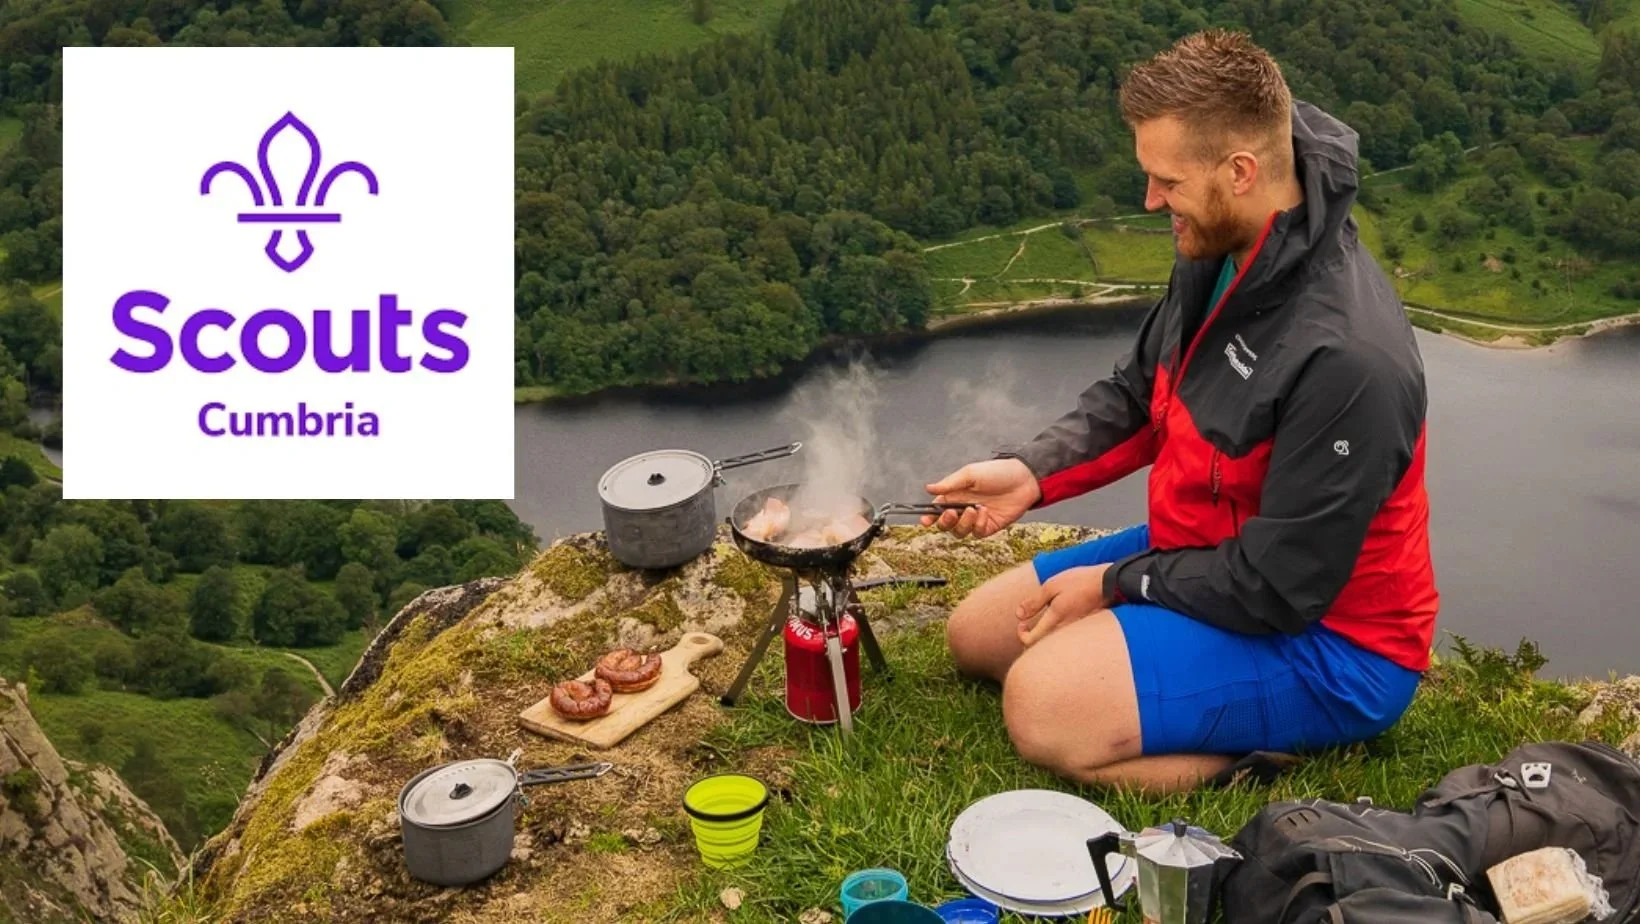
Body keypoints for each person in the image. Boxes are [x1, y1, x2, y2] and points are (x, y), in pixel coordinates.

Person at [925, 29, 1440, 794]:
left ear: (1240, 171)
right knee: (977, 636)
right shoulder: (1221, 239)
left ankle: (1257, 763)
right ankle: (1147, 669)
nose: (1150, 200)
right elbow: (1143, 392)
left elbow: (1280, 588)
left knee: (1039, 705)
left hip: (1332, 639)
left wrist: (1114, 584)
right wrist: (1031, 474)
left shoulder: (1348, 360)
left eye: (1166, 181)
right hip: (1205, 543)